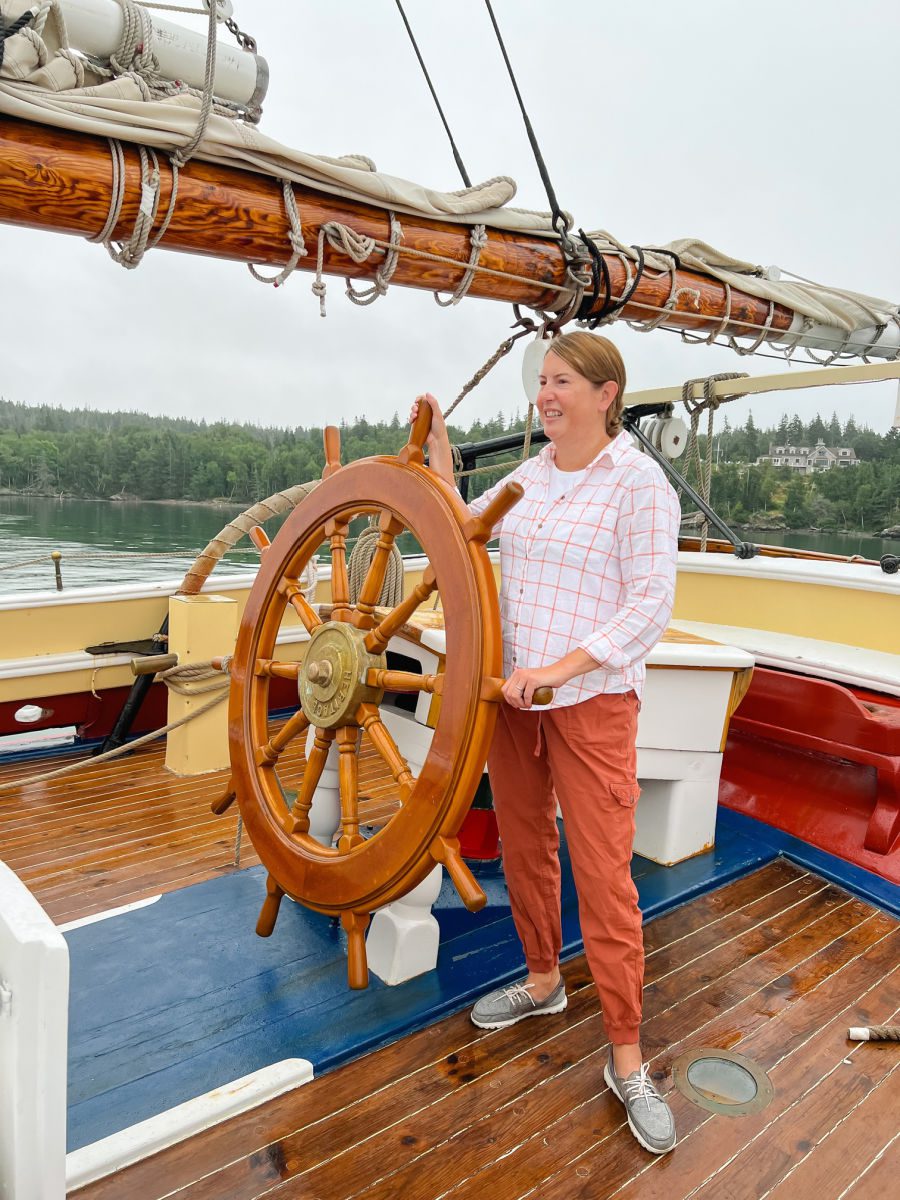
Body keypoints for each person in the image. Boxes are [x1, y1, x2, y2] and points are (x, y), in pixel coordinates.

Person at [411, 331, 680, 1155]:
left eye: (561, 382)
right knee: (527, 846)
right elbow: (468, 527)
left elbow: (649, 606)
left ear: (607, 394)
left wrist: (561, 668)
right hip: (513, 697)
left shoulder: (639, 483)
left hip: (590, 702)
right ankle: (541, 981)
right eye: (542, 384)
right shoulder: (531, 475)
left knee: (604, 875)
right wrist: (439, 459)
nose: (545, 396)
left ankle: (627, 1056)